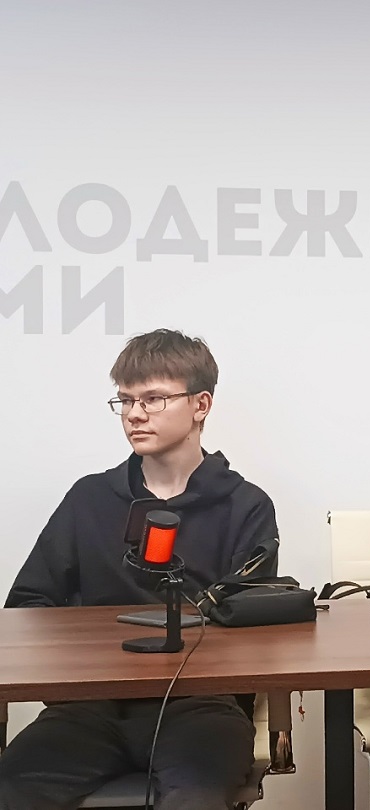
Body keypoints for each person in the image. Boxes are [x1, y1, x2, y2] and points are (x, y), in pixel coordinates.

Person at [0, 329, 279, 810]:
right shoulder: (89, 498)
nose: (134, 414)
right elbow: (27, 607)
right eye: (126, 400)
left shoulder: (246, 506)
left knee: (195, 799)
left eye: (153, 399)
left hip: (201, 708)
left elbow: (252, 627)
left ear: (201, 404)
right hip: (91, 708)